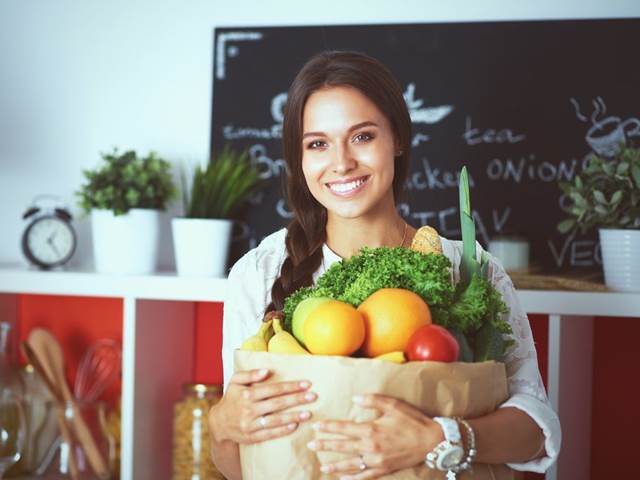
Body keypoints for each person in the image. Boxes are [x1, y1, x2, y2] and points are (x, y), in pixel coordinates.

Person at [208, 50, 561, 479]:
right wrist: (220, 425)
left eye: (362, 137)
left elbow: (536, 430)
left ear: (398, 139)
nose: (341, 162)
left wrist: (439, 438)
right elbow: (239, 467)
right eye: (318, 143)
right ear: (299, 160)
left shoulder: (468, 268)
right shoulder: (258, 272)